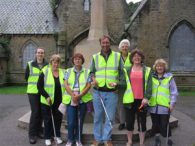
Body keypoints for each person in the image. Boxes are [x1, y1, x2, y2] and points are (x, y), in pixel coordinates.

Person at [90, 35, 120, 146]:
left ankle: (107, 139)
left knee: (110, 117)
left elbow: (122, 74)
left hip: (112, 92)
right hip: (98, 92)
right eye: (103, 42)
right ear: (100, 44)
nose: (105, 44)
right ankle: (97, 139)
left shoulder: (117, 56)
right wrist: (93, 78)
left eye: (107, 42)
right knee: (97, 117)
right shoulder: (95, 57)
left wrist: (118, 84)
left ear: (110, 43)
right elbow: (91, 72)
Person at [122, 48, 152, 146]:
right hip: (130, 100)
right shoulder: (127, 70)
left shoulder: (147, 70)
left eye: (139, 56)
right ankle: (130, 141)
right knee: (129, 122)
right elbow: (123, 82)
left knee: (142, 122)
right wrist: (116, 84)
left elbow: (150, 85)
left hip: (142, 101)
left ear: (142, 58)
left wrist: (146, 97)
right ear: (132, 58)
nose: (137, 58)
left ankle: (141, 142)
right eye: (135, 56)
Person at [63, 53, 92, 146]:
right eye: (75, 59)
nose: (77, 60)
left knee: (80, 121)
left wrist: (80, 95)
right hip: (71, 99)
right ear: (73, 61)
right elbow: (65, 84)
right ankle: (70, 139)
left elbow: (88, 85)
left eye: (79, 59)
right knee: (71, 122)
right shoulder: (67, 71)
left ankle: (78, 140)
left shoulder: (87, 72)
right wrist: (73, 96)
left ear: (82, 61)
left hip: (82, 99)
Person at [149, 58, 178, 146]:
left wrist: (172, 104)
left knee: (164, 124)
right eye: (158, 66)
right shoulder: (151, 77)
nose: (159, 67)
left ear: (164, 67)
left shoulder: (169, 77)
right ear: (155, 67)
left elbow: (174, 92)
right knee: (155, 124)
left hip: (165, 106)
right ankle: (157, 139)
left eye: (161, 66)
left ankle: (168, 139)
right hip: (153, 106)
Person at [37, 54, 65, 146]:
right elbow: (39, 87)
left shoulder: (63, 72)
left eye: (57, 62)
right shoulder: (45, 71)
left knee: (58, 119)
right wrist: (47, 96)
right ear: (51, 62)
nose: (56, 64)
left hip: (59, 101)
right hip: (47, 101)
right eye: (54, 62)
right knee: (48, 119)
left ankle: (57, 136)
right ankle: (47, 137)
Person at [25, 47, 48, 144]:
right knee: (35, 112)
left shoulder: (48, 65)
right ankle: (32, 134)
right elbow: (26, 77)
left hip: (42, 92)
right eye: (38, 52)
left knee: (42, 112)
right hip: (33, 92)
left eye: (42, 53)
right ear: (36, 54)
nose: (40, 54)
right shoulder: (30, 64)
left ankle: (39, 131)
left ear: (44, 54)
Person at [117, 39, 132, 130]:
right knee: (120, 104)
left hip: (131, 85)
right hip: (120, 85)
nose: (125, 47)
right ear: (120, 48)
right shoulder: (117, 57)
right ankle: (122, 122)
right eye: (123, 46)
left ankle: (129, 121)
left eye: (126, 46)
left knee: (130, 103)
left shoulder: (132, 56)